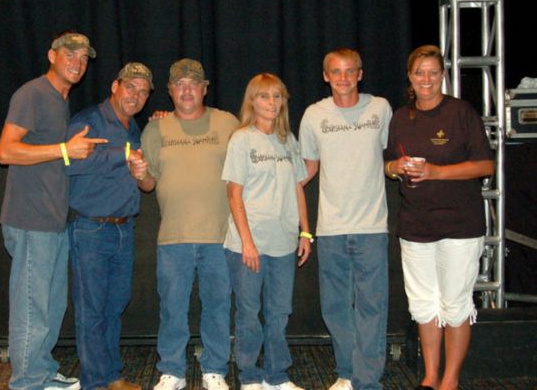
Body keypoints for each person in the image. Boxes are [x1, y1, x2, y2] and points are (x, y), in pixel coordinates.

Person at [0, 31, 106, 390]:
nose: (77, 62)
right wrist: (64, 150)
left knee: (51, 304)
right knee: (33, 306)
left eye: (83, 58)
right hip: (30, 218)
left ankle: (41, 372)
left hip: (52, 220)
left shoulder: (60, 100)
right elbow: (7, 152)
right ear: (52, 55)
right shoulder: (33, 94)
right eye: (69, 55)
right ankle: (27, 381)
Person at [383, 45, 494, 390]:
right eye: (420, 73)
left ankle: (450, 380)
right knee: (423, 304)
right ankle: (430, 378)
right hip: (415, 226)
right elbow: (386, 164)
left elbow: (486, 166)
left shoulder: (461, 113)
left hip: (460, 226)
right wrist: (396, 167)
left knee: (454, 303)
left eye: (433, 72)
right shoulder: (401, 117)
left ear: (443, 75)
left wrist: (435, 172)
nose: (426, 79)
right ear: (410, 78)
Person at [140, 58, 240, 390]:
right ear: (169, 90)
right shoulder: (155, 129)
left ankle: (214, 369)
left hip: (220, 235)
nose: (186, 90)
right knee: (172, 308)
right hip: (173, 237)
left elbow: (243, 176)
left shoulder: (228, 123)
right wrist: (138, 174)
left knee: (217, 306)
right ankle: (172, 371)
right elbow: (148, 184)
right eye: (179, 84)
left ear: (204, 88)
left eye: (193, 84)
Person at [299, 48, 393, 390]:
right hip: (331, 229)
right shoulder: (313, 115)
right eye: (335, 72)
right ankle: (348, 372)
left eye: (349, 71)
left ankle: (366, 382)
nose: (343, 78)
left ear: (360, 74)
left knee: (371, 307)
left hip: (371, 228)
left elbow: (392, 157)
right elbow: (306, 169)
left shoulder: (380, 109)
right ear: (326, 76)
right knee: (335, 307)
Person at [65, 63, 154, 390]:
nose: (137, 95)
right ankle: (94, 382)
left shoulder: (133, 127)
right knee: (92, 310)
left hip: (123, 228)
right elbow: (70, 162)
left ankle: (112, 376)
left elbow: (139, 172)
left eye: (144, 91)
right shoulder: (88, 121)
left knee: (114, 306)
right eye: (131, 87)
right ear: (115, 85)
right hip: (91, 228)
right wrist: (125, 153)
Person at [222, 73, 312, 390]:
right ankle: (249, 375)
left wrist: (305, 232)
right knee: (249, 312)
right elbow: (234, 194)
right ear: (252, 101)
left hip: (284, 243)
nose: (271, 103)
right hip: (248, 244)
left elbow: (298, 188)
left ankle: (277, 376)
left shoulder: (288, 140)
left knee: (279, 313)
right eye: (264, 96)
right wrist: (247, 242)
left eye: (277, 96)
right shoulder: (241, 139)